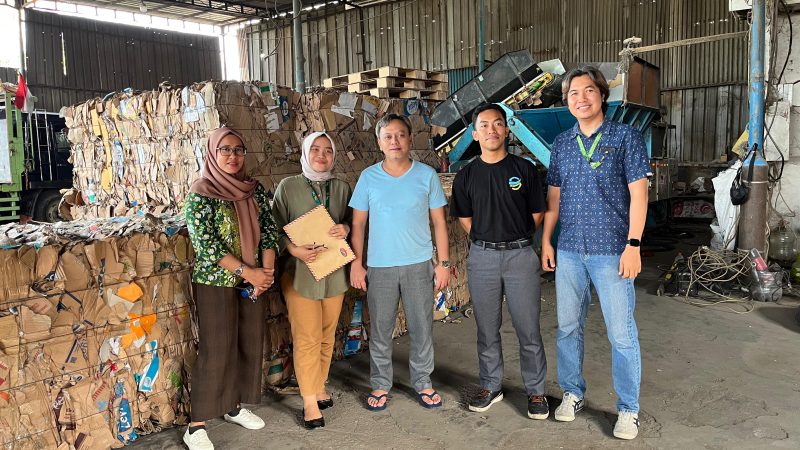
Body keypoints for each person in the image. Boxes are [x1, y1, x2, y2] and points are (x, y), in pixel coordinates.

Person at [541, 66, 650, 440]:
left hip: (612, 251)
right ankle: (572, 392)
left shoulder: (625, 137)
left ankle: (628, 409)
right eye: (573, 93)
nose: (581, 98)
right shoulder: (562, 144)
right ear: (567, 101)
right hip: (570, 250)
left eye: (588, 90)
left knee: (621, 333)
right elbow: (554, 199)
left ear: (602, 95)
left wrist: (633, 245)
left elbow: (639, 195)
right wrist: (547, 241)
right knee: (568, 328)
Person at [449, 103, 549, 419]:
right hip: (483, 259)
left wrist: (516, 238)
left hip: (521, 256)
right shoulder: (466, 175)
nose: (491, 130)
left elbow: (538, 212)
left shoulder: (525, 169)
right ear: (474, 134)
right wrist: (487, 239)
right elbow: (465, 218)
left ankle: (536, 391)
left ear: (506, 130)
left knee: (528, 328)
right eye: (484, 125)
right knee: (487, 328)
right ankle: (491, 385)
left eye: (497, 124)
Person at [183, 127, 278, 450]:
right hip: (216, 282)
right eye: (225, 149)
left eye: (238, 150)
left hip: (253, 282)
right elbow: (206, 244)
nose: (232, 156)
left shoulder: (254, 189)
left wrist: (265, 274)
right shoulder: (201, 192)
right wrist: (248, 272)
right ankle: (196, 425)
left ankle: (233, 406)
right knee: (217, 349)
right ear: (212, 153)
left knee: (247, 343)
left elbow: (269, 231)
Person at [349, 113, 451, 411]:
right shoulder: (369, 177)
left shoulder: (426, 175)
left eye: (400, 135)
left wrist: (443, 264)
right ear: (379, 142)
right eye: (388, 136)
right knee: (381, 329)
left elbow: (439, 223)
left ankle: (423, 381)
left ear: (409, 139)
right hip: (380, 267)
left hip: (419, 264)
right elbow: (358, 225)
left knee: (421, 327)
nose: (394, 141)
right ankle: (381, 383)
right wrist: (357, 263)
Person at [271, 132, 352, 429]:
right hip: (300, 273)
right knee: (307, 336)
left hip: (334, 272)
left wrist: (345, 227)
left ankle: (319, 385)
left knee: (327, 333)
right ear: (304, 153)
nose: (321, 155)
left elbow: (353, 221)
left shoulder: (341, 188)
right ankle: (309, 401)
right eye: (315, 149)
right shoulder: (288, 187)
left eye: (328, 150)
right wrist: (292, 249)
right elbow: (273, 228)